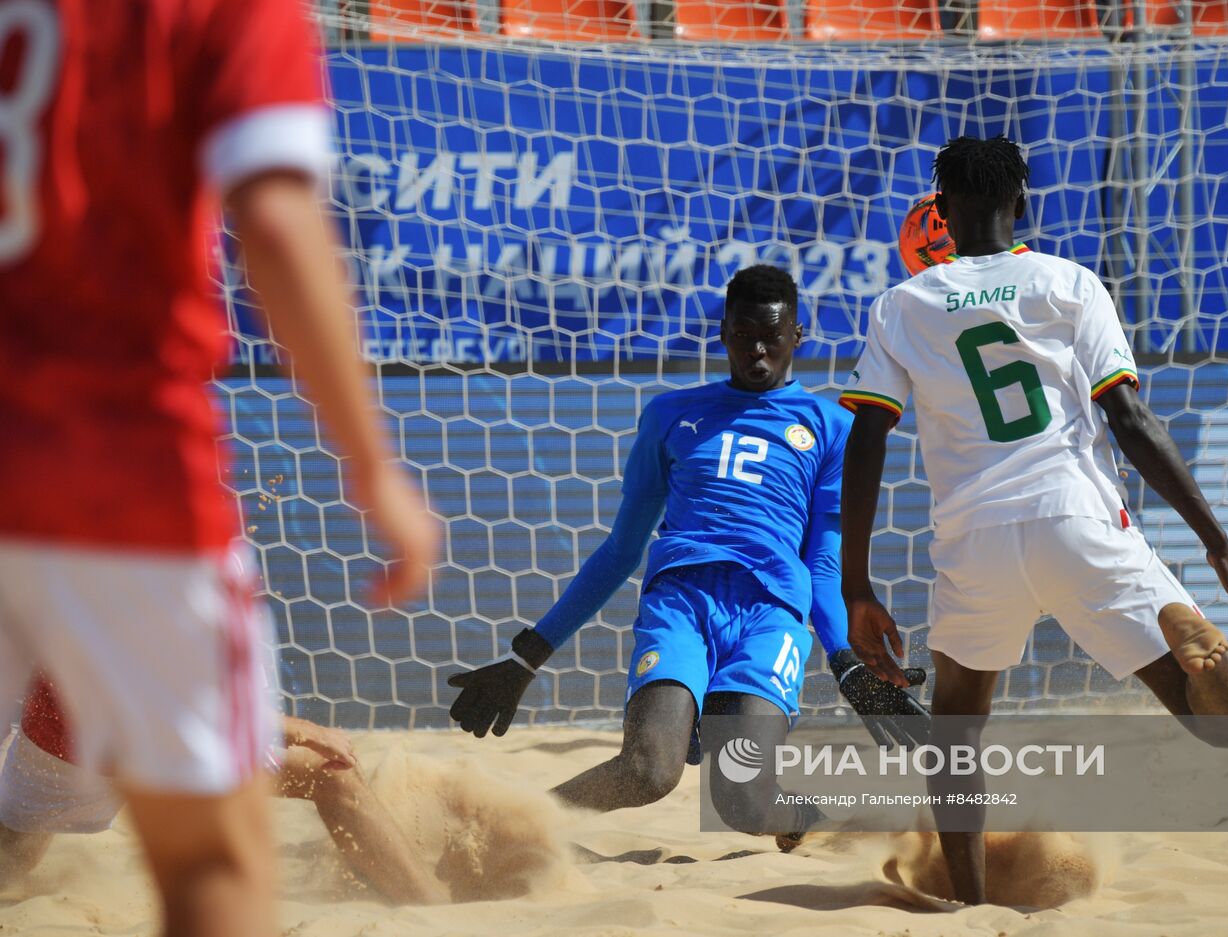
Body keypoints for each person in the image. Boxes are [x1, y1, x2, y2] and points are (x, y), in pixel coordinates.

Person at [0, 3, 436, 935]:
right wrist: (377, 474)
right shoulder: (218, 17)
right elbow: (277, 225)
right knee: (261, 828)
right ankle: (449, 917)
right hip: (111, 483)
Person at [838, 135, 1228, 905]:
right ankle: (1210, 649)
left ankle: (969, 905)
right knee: (1224, 724)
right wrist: (1217, 544)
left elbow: (867, 440)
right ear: (1025, 206)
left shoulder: (902, 305)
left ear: (939, 214)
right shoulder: (1070, 282)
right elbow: (1132, 420)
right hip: (1075, 515)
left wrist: (857, 587)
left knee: (956, 728)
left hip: (974, 537)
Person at [447, 265, 928, 843]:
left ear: (797, 335)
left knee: (743, 801)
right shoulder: (670, 414)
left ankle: (807, 821)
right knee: (648, 772)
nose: (757, 352)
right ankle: (508, 834)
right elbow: (622, 548)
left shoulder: (830, 427)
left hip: (770, 614)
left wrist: (847, 661)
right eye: (744, 334)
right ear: (722, 330)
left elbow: (823, 562)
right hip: (681, 604)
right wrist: (528, 657)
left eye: (771, 339)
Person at [0, 677, 448, 905]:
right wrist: (295, 727)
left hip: (83, 746)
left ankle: (432, 914)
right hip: (81, 748)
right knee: (11, 861)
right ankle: (429, 907)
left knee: (331, 774)